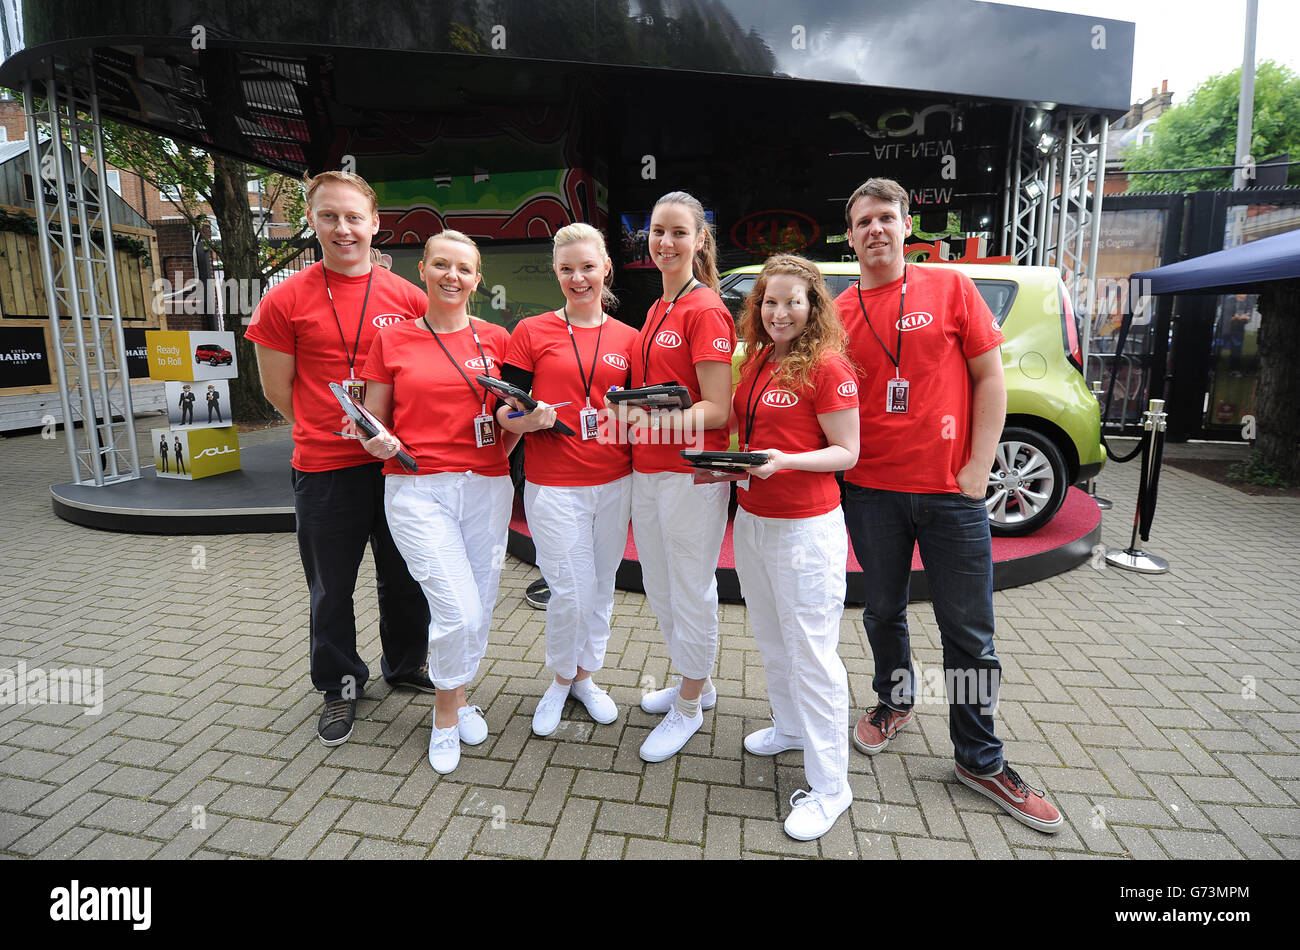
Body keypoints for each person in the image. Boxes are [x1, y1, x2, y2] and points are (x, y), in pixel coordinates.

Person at [835, 177, 1062, 833]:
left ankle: (979, 759)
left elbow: (992, 378)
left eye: (886, 218)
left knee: (969, 634)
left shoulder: (951, 288)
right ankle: (894, 701)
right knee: (882, 611)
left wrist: (977, 468)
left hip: (950, 495)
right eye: (862, 222)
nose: (875, 229)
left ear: (907, 226)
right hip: (872, 492)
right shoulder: (842, 311)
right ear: (849, 236)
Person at [246, 170, 433, 749]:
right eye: (330, 216)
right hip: (326, 466)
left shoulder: (408, 297)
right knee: (332, 585)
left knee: (406, 576)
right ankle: (341, 685)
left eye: (354, 217)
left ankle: (405, 665)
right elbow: (279, 391)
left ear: (375, 224)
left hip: (394, 462)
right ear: (312, 221)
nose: (343, 228)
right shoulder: (285, 298)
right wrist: (335, 427)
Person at [357, 230, 515, 775]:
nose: (453, 276)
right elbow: (372, 424)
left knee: (482, 601)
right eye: (441, 264)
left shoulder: (498, 337)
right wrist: (374, 440)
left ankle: (462, 694)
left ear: (477, 278)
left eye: (464, 268)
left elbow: (505, 419)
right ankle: (445, 715)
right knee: (456, 608)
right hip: (418, 487)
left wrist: (528, 423)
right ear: (422, 269)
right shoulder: (393, 340)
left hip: (488, 486)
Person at [731, 254, 860, 841]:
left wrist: (785, 464)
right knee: (771, 635)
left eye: (793, 301)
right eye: (769, 301)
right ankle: (788, 726)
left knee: (812, 653)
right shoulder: (758, 359)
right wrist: (736, 468)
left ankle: (832, 786)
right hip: (754, 520)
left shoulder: (829, 366)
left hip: (806, 529)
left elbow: (847, 452)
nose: (779, 312)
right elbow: (757, 439)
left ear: (814, 306)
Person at [607, 191, 735, 763]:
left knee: (690, 587)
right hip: (649, 471)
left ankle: (689, 706)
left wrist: (641, 419)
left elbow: (718, 410)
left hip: (689, 474)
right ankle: (697, 681)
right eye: (657, 231)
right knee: (660, 586)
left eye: (679, 232)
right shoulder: (658, 306)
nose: (665, 242)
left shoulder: (705, 308)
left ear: (699, 240)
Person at [497, 222, 638, 737]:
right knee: (569, 591)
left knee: (600, 588)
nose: (578, 278)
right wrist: (527, 420)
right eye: (566, 269)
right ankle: (559, 679)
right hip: (554, 483)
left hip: (615, 480)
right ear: (556, 273)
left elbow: (643, 411)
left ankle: (585, 677)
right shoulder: (530, 332)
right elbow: (502, 413)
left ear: (605, 268)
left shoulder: (631, 338)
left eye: (587, 267)